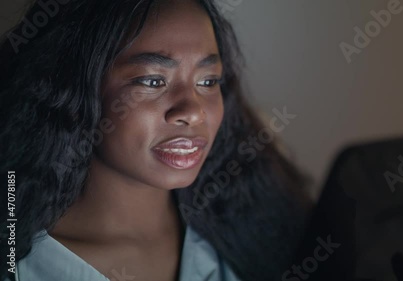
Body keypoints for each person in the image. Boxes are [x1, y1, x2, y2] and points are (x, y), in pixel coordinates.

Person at [0, 0, 312, 280]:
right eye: (153, 81)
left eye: (208, 81)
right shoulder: (20, 261)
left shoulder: (259, 229)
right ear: (76, 91)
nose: (193, 112)